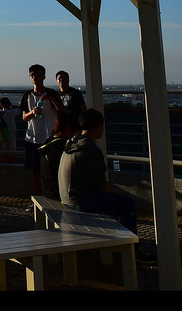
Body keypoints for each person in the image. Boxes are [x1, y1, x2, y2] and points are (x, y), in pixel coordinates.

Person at [59, 108, 157, 264]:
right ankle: (133, 249)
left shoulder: (72, 142)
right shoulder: (89, 149)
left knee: (115, 202)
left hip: (67, 198)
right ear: (99, 126)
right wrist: (119, 195)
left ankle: (123, 241)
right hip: (79, 201)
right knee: (127, 204)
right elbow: (100, 184)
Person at [19, 64, 65, 193]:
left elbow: (62, 110)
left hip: (49, 137)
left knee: (53, 169)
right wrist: (32, 112)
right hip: (32, 137)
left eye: (38, 74)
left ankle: (53, 196)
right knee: (36, 171)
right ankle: (38, 199)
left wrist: (51, 99)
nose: (35, 77)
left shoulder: (51, 93)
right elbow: (24, 117)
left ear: (44, 76)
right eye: (32, 75)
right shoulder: (27, 95)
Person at [38, 112, 80, 200]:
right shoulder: (60, 146)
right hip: (58, 194)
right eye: (76, 132)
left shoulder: (49, 141)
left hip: (48, 191)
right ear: (68, 129)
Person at [0, 97, 19, 164]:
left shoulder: (1, 113)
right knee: (12, 151)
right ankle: (13, 167)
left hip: (3, 132)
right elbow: (21, 109)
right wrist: (12, 106)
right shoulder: (12, 112)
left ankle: (5, 166)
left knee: (4, 152)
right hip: (11, 132)